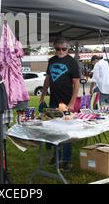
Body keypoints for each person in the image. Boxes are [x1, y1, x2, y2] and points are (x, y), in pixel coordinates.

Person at [40, 37, 80, 171]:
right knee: (54, 130)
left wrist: (72, 102)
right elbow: (48, 78)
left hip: (67, 103)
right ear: (54, 48)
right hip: (53, 102)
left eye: (64, 49)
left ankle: (67, 160)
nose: (61, 51)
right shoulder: (52, 60)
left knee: (67, 132)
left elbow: (76, 83)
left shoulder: (72, 62)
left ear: (68, 49)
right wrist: (43, 94)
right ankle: (56, 155)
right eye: (58, 49)